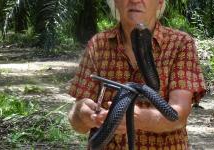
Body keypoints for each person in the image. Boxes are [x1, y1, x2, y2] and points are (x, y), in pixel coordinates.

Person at [68, 0, 206, 149]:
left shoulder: (181, 44)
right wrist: (82, 114)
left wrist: (135, 118)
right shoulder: (98, 45)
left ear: (160, 2)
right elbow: (77, 124)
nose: (135, 0)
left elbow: (178, 116)